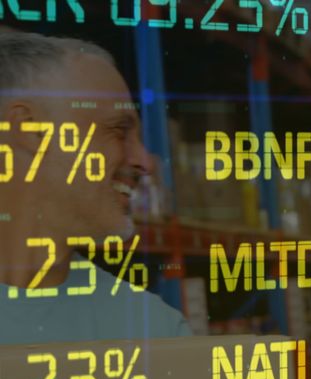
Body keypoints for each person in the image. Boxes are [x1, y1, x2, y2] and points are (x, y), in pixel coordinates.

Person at [0, 31, 190, 343]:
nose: (145, 162)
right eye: (118, 130)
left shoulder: (156, 331)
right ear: (30, 128)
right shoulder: (149, 332)